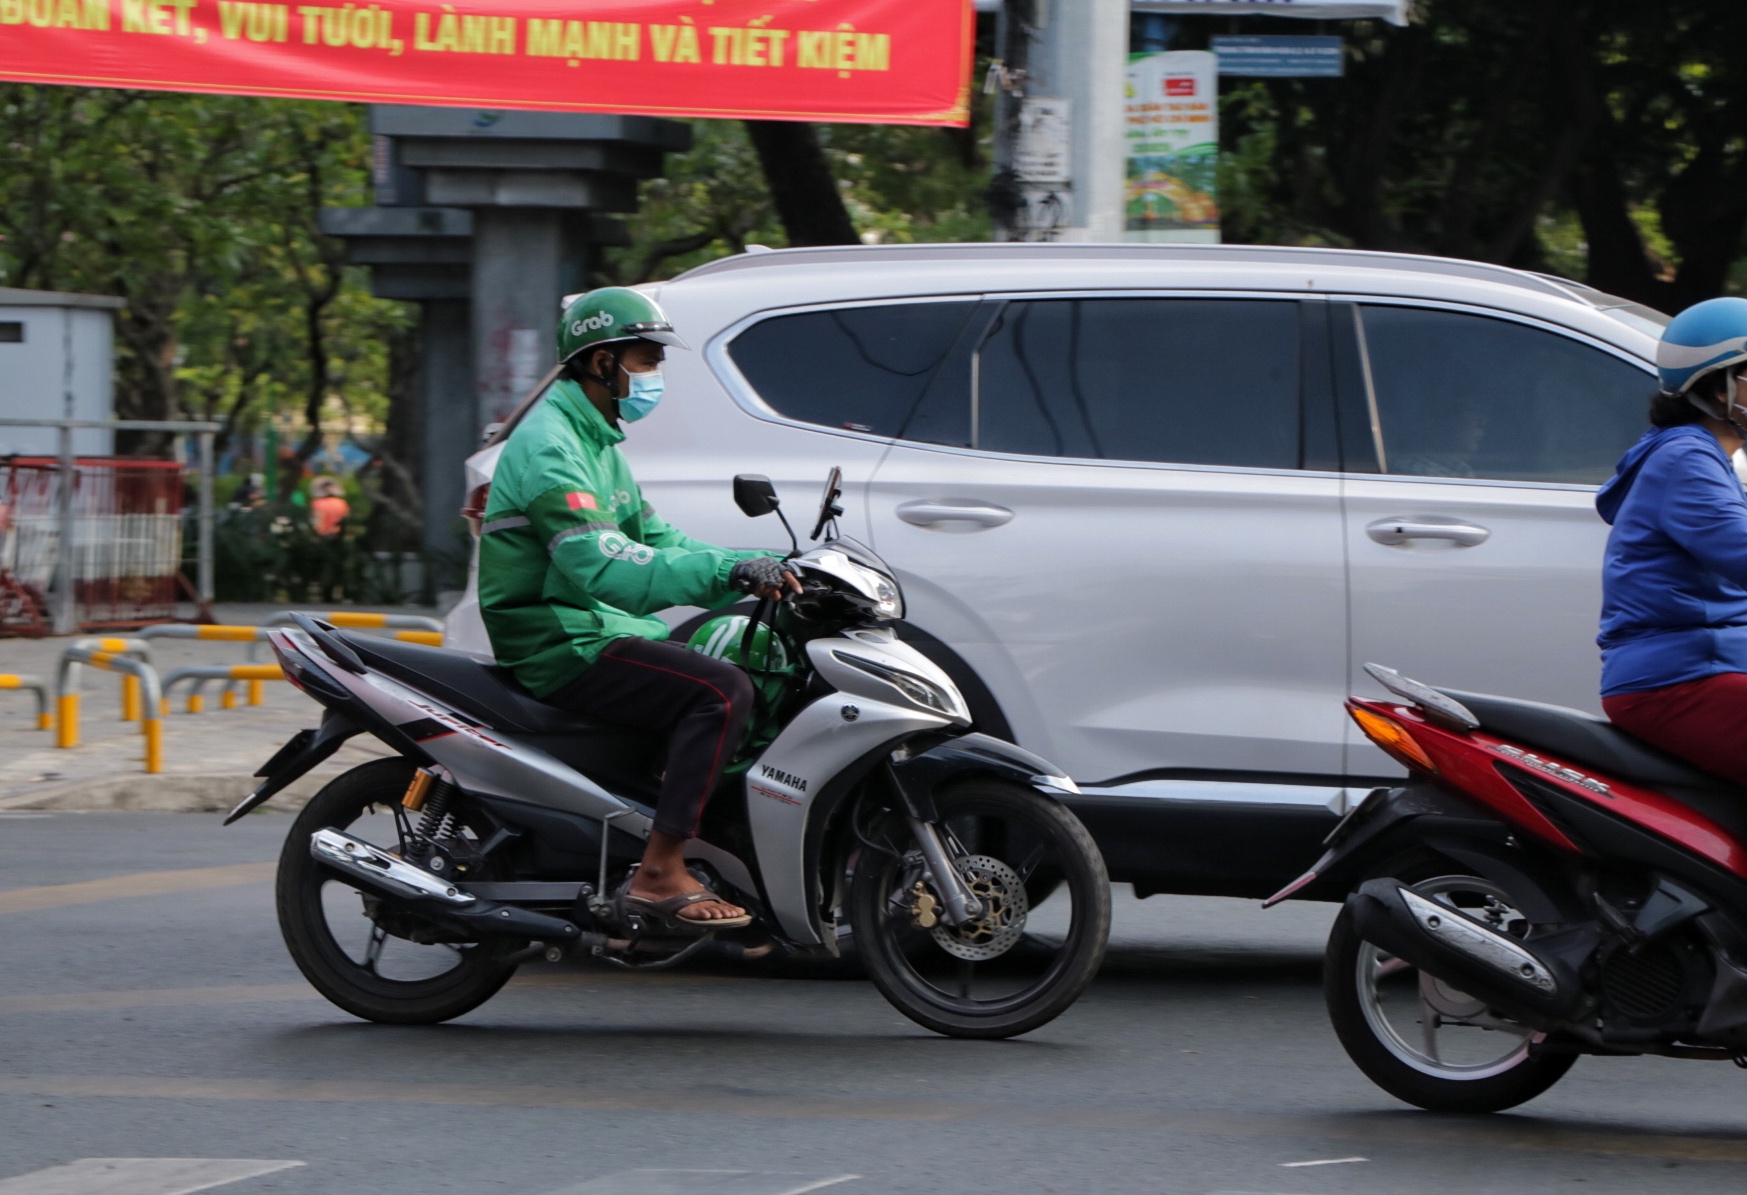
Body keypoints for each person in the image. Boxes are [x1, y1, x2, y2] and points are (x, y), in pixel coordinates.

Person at [476, 287, 799, 931]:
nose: (654, 374)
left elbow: (660, 541)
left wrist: (770, 562)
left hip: (595, 627)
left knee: (730, 653)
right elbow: (604, 565)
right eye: (646, 359)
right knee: (721, 692)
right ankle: (657, 874)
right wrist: (727, 570)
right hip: (558, 639)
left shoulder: (597, 442)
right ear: (601, 363)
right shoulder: (552, 448)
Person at [1597, 296, 1747, 787]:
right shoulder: (1686, 460)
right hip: (1678, 678)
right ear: (1721, 389)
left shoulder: (1706, 457)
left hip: (1707, 664)